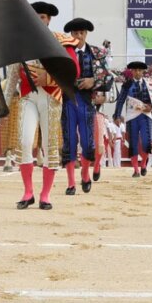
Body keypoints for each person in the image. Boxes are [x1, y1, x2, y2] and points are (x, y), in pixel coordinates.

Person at [5, 2, 74, 210]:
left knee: (50, 146)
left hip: (52, 97)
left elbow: (73, 70)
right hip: (27, 96)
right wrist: (4, 104)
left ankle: (45, 195)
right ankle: (28, 192)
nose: (39, 20)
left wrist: (49, 77)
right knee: (25, 142)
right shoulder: (21, 42)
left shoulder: (61, 41)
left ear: (49, 20)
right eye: (36, 16)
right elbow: (13, 74)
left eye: (43, 17)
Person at [61, 17, 104, 194]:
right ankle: (71, 183)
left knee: (88, 143)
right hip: (68, 100)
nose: (79, 36)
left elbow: (107, 76)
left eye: (82, 33)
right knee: (69, 141)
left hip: (87, 102)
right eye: (76, 33)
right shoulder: (63, 51)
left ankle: (85, 174)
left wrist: (92, 81)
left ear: (86, 34)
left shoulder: (96, 52)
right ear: (71, 34)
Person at [113, 61, 152, 178]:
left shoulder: (149, 84)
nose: (137, 72)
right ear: (132, 71)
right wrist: (117, 115)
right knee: (133, 143)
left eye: (139, 70)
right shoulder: (127, 84)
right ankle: (136, 169)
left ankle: (143, 164)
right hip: (131, 115)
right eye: (135, 70)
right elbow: (120, 100)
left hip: (145, 115)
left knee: (146, 142)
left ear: (143, 71)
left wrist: (151, 107)